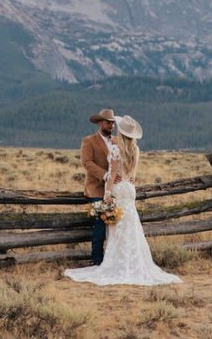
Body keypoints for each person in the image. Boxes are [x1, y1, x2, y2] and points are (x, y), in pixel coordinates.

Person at [65, 115, 183, 286]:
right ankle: (133, 262)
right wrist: (129, 180)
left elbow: (112, 175)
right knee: (130, 224)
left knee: (117, 226)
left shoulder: (115, 149)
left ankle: (116, 263)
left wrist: (107, 193)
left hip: (119, 189)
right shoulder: (135, 150)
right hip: (129, 188)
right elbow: (132, 174)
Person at [79, 108, 117, 265]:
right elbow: (87, 163)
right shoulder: (89, 141)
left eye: (113, 123)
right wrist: (105, 175)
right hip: (96, 187)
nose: (111, 126)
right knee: (101, 224)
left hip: (115, 188)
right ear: (100, 123)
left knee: (115, 223)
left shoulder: (116, 141)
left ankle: (112, 259)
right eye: (108, 123)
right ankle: (97, 260)